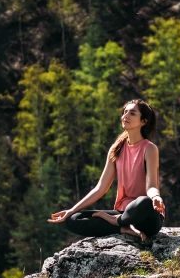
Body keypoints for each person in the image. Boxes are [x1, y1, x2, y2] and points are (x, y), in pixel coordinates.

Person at [48, 99, 165, 241]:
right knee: (73, 219)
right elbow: (100, 188)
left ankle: (119, 221)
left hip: (146, 216)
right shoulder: (116, 148)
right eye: (125, 112)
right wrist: (72, 210)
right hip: (122, 212)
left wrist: (155, 197)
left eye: (132, 113)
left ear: (143, 121)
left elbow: (151, 185)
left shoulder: (149, 148)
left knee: (143, 202)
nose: (125, 116)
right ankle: (123, 228)